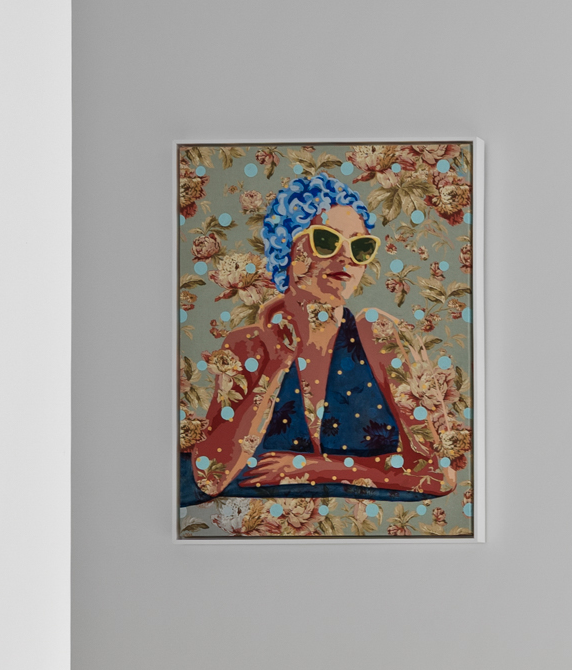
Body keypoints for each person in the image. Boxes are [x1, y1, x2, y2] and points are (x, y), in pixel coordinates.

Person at [180, 173, 466, 518]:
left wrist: (311, 467)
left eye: (360, 248)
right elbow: (209, 479)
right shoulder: (248, 347)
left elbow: (440, 472)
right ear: (287, 246)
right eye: (327, 241)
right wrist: (274, 361)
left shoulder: (381, 336)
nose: (346, 258)